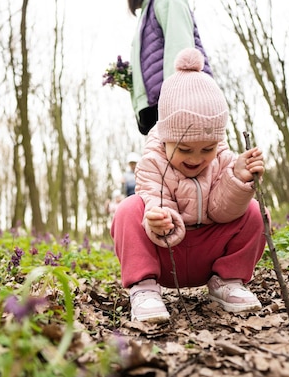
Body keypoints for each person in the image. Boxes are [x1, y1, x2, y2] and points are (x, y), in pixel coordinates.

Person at [111, 48, 267, 323]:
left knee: (255, 212)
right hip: (166, 255)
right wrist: (160, 220)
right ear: (166, 140)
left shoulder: (222, 161)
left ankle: (228, 282)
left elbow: (222, 211)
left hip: (208, 256)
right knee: (128, 209)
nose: (196, 159)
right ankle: (144, 288)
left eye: (206, 149)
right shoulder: (152, 162)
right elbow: (153, 198)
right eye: (184, 149)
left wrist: (238, 177)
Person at [126, 0, 213, 135]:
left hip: (177, 102)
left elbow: (179, 45)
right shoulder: (146, 12)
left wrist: (176, 98)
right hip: (158, 104)